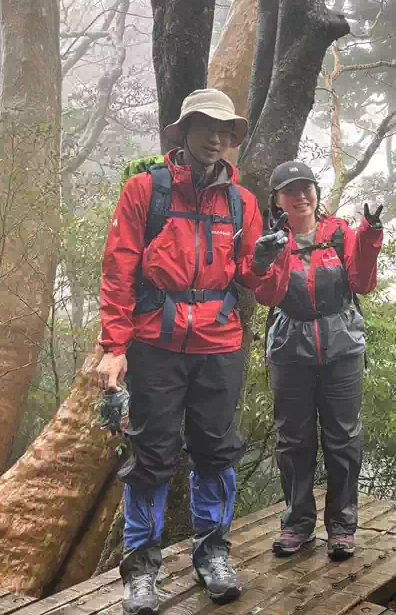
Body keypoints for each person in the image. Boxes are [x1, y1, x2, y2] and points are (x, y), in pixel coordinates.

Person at [96, 89, 288, 615]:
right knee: (151, 456)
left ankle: (214, 554)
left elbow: (252, 279)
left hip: (219, 343)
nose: (218, 138)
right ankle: (142, 571)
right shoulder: (145, 191)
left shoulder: (241, 202)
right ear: (183, 131)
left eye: (226, 131)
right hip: (155, 342)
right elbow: (118, 271)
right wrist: (114, 347)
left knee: (216, 452)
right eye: (207, 126)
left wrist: (267, 259)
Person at [253, 161, 383, 561]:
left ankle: (342, 528)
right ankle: (297, 525)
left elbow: (362, 282)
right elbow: (267, 295)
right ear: (277, 200)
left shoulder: (340, 232)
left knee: (343, 439)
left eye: (306, 187)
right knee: (293, 440)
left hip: (341, 345)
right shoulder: (272, 240)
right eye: (290, 190)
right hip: (290, 349)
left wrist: (371, 235)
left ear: (316, 192)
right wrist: (265, 260)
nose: (301, 196)